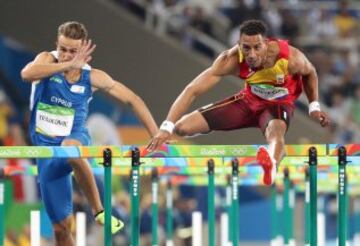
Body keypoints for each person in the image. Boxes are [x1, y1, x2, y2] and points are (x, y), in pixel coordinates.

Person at [21, 21, 158, 245]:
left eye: (73, 51)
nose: (66, 55)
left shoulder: (93, 77)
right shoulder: (47, 60)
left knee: (71, 150)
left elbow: (133, 100)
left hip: (75, 137)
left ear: (83, 50)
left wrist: (156, 134)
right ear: (57, 44)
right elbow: (26, 74)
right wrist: (64, 65)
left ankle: (99, 211)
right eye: (63, 49)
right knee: (62, 229)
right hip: (46, 151)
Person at [147, 19, 330, 186]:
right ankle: (176, 129)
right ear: (239, 45)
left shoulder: (289, 58)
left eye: (257, 47)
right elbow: (192, 90)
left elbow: (310, 73)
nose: (251, 54)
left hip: (278, 105)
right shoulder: (230, 60)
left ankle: (271, 165)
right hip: (247, 102)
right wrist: (166, 126)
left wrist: (314, 106)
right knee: (182, 127)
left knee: (275, 133)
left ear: (266, 44)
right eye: (246, 48)